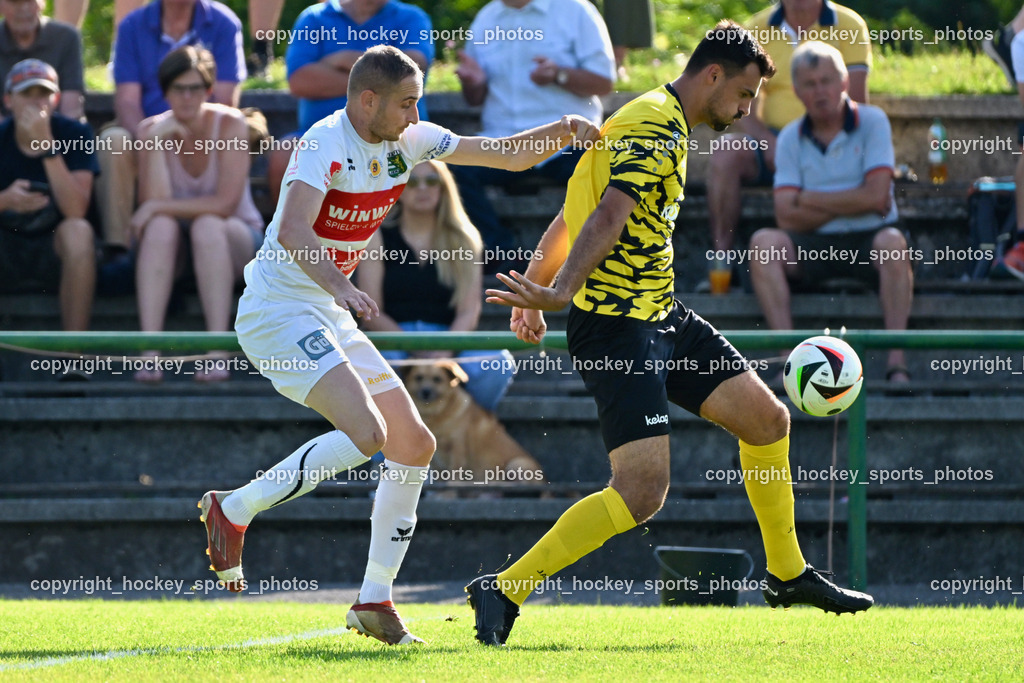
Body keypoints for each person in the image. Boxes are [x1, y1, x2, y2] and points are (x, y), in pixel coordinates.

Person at [468, 21, 873, 647]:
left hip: (662, 317)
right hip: (615, 331)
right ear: (711, 76)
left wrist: (541, 282)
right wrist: (556, 292)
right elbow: (606, 215)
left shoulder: (654, 119)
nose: (744, 112)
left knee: (768, 422)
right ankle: (504, 588)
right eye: (742, 96)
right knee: (640, 494)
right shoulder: (654, 124)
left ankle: (787, 575)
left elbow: (572, 207)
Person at [198, 45, 599, 646]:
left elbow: (506, 155)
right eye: (407, 103)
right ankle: (234, 509)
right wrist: (345, 286)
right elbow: (291, 230)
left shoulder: (407, 140)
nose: (416, 114)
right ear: (368, 101)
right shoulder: (323, 143)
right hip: (277, 313)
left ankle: (374, 598)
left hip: (327, 309)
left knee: (413, 442)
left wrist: (564, 130)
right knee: (369, 436)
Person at [748, 42, 911, 384]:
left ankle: (897, 362)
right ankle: (787, 361)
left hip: (870, 241)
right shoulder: (791, 137)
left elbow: (878, 197)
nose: (819, 91)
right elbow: (785, 217)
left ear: (843, 83)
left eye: (826, 80)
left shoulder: (873, 121)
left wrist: (807, 199)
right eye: (810, 83)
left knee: (894, 243)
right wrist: (856, 199)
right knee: (764, 243)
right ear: (797, 91)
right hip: (811, 245)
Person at [705, 0, 872, 289]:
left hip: (831, 142)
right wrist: (774, 145)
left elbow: (857, 104)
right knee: (725, 152)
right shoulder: (757, 27)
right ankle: (723, 263)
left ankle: (843, 263)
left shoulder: (850, 24)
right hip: (774, 139)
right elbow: (741, 106)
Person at [130, 46, 263, 383]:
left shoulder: (231, 124)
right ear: (165, 91)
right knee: (160, 226)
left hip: (235, 239)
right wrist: (157, 144)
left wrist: (157, 207)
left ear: (208, 90)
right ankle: (150, 353)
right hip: (177, 248)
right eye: (178, 88)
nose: (187, 97)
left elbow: (225, 204)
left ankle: (217, 352)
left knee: (206, 224)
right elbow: (154, 203)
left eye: (195, 88)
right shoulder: (151, 130)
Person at [452, 0, 615, 257]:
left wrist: (559, 75)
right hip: (504, 145)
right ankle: (498, 253)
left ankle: (596, 257)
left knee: (609, 172)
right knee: (450, 169)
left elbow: (605, 82)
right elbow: (475, 98)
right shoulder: (486, 18)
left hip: (567, 144)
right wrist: (474, 83)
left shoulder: (576, 10)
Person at [358, 160, 515, 413]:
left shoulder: (465, 238)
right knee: (364, 363)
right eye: (412, 182)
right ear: (397, 189)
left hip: (447, 338)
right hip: (391, 340)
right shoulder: (376, 235)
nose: (423, 188)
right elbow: (369, 310)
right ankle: (383, 447)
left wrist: (440, 352)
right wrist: (414, 349)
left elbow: (468, 312)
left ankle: (459, 433)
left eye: (432, 181)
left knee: (497, 364)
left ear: (444, 188)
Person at [96, 0, 245, 250]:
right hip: (147, 132)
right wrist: (151, 138)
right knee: (114, 141)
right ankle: (118, 249)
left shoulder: (225, 23)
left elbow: (225, 99)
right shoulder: (132, 25)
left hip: (201, 132)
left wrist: (187, 137)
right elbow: (127, 102)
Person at [265, 0, 433, 207]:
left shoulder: (411, 17)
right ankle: (287, 236)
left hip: (396, 139)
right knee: (285, 153)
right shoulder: (314, 18)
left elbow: (412, 69)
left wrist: (343, 60)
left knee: (421, 163)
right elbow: (300, 81)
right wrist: (383, 77)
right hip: (324, 139)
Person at [0, 59, 96, 332]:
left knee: (79, 231)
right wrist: (5, 200)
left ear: (55, 99)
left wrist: (48, 148)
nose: (35, 102)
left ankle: (73, 356)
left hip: (54, 246)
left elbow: (77, 210)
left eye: (42, 94)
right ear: (9, 100)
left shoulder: (75, 134)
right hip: (6, 243)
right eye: (26, 94)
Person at [0, 0, 84, 120]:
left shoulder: (66, 37)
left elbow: (71, 109)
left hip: (58, 129)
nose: (24, 8)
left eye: (31, 1)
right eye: (15, 2)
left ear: (42, 3)